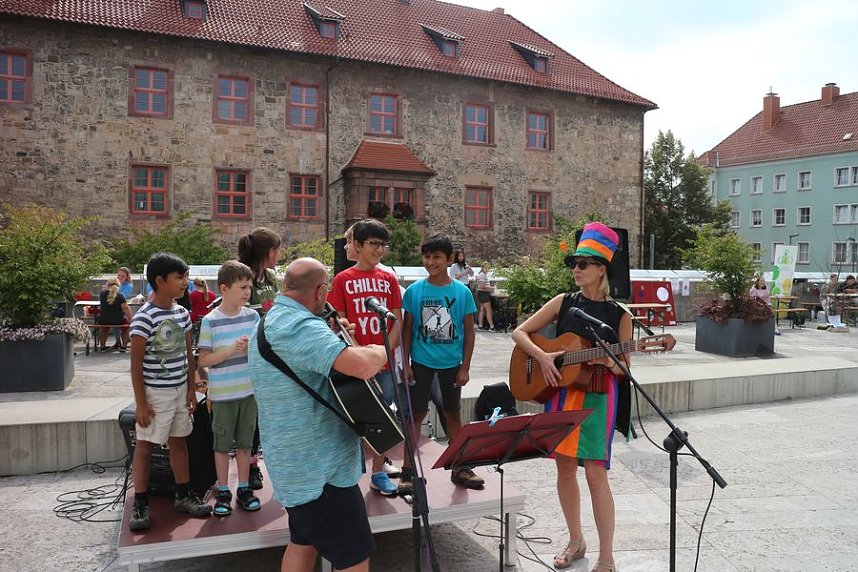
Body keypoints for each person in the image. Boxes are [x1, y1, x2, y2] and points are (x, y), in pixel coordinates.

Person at [248, 257, 387, 572]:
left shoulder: (273, 319)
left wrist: (333, 335)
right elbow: (361, 365)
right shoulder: (299, 326)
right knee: (353, 557)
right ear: (322, 290)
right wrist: (378, 350)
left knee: (304, 541)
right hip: (320, 470)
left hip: (294, 464)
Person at [511, 222, 630, 572]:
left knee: (595, 472)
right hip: (561, 392)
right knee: (564, 467)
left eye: (583, 264)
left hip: (597, 396)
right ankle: (576, 540)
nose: (576, 269)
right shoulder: (564, 302)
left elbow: (625, 369)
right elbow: (519, 332)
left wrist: (608, 359)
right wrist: (544, 356)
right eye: (574, 264)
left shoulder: (620, 315)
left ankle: (607, 557)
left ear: (601, 269)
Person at [128, 252, 212, 532]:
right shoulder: (143, 318)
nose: (185, 283)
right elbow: (136, 364)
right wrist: (141, 403)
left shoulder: (182, 313)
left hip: (180, 392)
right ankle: (140, 503)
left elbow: (188, 353)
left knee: (180, 441)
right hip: (155, 394)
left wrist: (191, 388)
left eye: (186, 277)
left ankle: (183, 494)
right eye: (179, 277)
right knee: (146, 445)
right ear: (160, 281)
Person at [400, 233, 483, 491]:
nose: (430, 262)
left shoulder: (462, 292)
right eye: (427, 256)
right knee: (416, 415)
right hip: (421, 363)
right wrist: (406, 363)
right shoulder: (415, 291)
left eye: (436, 257)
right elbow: (406, 330)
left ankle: (460, 467)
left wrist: (465, 367)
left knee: (453, 415)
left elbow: (469, 332)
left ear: (449, 259)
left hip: (451, 365)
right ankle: (407, 471)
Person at [197, 261, 261, 516]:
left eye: (249, 287)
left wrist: (251, 349)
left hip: (248, 391)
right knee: (222, 444)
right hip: (223, 395)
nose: (247, 292)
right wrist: (231, 350)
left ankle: (244, 488)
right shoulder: (211, 321)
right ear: (224, 289)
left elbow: (260, 352)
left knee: (246, 444)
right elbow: (204, 360)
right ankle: (223, 490)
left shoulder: (253, 316)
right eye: (242, 287)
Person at [341, 222, 403, 480]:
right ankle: (352, 475)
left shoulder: (388, 279)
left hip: (384, 365)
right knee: (351, 422)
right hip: (355, 365)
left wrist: (383, 354)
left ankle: (379, 473)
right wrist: (360, 356)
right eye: (373, 244)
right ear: (357, 245)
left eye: (382, 245)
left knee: (384, 418)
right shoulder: (342, 280)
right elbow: (341, 325)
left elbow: (397, 321)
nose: (379, 250)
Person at [238, 226, 283, 489]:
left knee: (267, 413)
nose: (280, 254)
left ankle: (265, 461)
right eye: (278, 249)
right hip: (248, 353)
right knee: (250, 417)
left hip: (271, 352)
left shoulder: (272, 276)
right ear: (269, 251)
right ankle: (251, 467)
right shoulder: (243, 275)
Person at [97, 277, 133, 352]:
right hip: (118, 320)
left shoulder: (102, 294)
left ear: (108, 284)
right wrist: (131, 318)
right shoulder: (120, 295)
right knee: (126, 328)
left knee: (103, 328)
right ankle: (124, 346)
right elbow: (125, 308)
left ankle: (102, 346)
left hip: (104, 320)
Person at [475, 262, 495, 331]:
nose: (487, 269)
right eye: (485, 268)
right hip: (483, 294)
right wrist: (491, 288)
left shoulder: (484, 275)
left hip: (483, 293)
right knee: (488, 310)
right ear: (482, 268)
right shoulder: (482, 275)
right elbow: (482, 286)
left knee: (482, 309)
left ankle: (480, 325)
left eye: (488, 268)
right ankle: (491, 326)